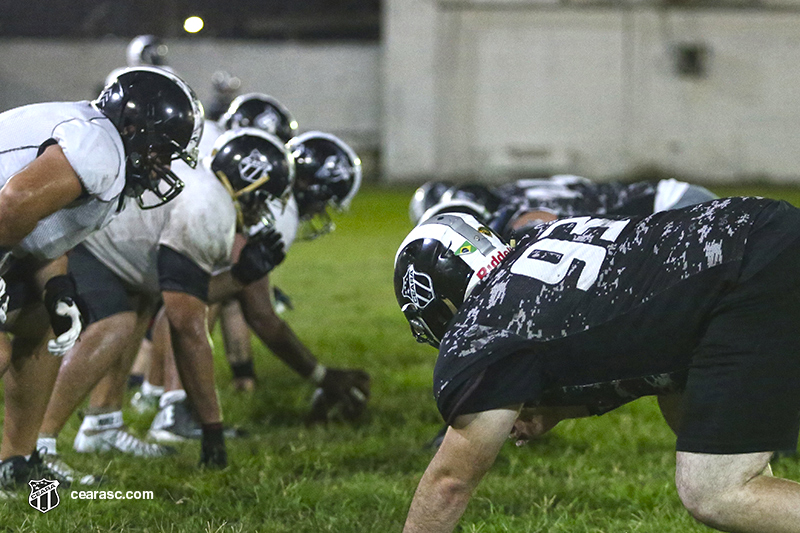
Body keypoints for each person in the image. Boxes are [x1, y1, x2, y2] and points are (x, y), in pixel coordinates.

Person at [393, 199, 800, 532]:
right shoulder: (542, 237)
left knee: (715, 491)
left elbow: (450, 482)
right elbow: (630, 325)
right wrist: (559, 407)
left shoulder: (480, 329)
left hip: (748, 277)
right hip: (760, 229)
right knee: (686, 409)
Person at [33, 128, 292, 479]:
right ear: (246, 184)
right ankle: (35, 447)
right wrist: (212, 428)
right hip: (80, 240)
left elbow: (186, 295)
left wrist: (238, 278)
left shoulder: (209, 193)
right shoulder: (207, 207)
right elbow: (187, 324)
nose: (260, 210)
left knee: (138, 306)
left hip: (110, 250)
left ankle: (102, 425)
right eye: (262, 198)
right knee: (115, 322)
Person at [0, 66, 203, 490]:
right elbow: (14, 203)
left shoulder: (104, 152)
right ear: (132, 127)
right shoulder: (98, 147)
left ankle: (14, 463)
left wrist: (57, 287)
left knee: (42, 325)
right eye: (161, 150)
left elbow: (39, 231)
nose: (163, 163)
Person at [144, 130, 370, 441]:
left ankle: (153, 394)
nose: (320, 212)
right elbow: (261, 314)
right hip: (161, 243)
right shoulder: (280, 211)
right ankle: (175, 407)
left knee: (196, 295)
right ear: (309, 186)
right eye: (324, 202)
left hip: (146, 239)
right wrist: (319, 375)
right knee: (204, 296)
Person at [409, 176, 718, 240]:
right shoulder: (516, 188)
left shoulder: (516, 213)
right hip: (675, 194)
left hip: (669, 208)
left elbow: (557, 229)